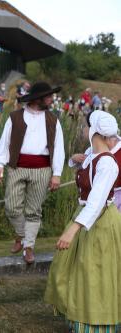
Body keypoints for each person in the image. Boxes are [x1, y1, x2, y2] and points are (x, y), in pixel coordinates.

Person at [45, 110, 121, 333]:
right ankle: (79, 314)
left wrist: (73, 230)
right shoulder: (93, 156)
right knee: (76, 269)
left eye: (87, 127)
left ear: (95, 132)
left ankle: (98, 321)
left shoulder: (108, 164)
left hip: (101, 223)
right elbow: (84, 168)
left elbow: (97, 202)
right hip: (86, 216)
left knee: (96, 271)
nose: (84, 130)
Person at [0, 82, 65, 264]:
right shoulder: (15, 117)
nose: (51, 99)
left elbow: (58, 148)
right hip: (16, 167)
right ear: (38, 99)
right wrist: (0, 164)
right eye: (48, 96)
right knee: (11, 207)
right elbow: (5, 141)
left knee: (34, 211)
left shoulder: (53, 120)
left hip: (42, 170)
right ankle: (22, 236)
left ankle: (28, 247)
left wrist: (57, 173)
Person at [69, 111, 121, 211]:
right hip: (94, 207)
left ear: (93, 130)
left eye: (84, 126)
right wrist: (74, 159)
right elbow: (85, 173)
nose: (82, 130)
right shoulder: (92, 151)